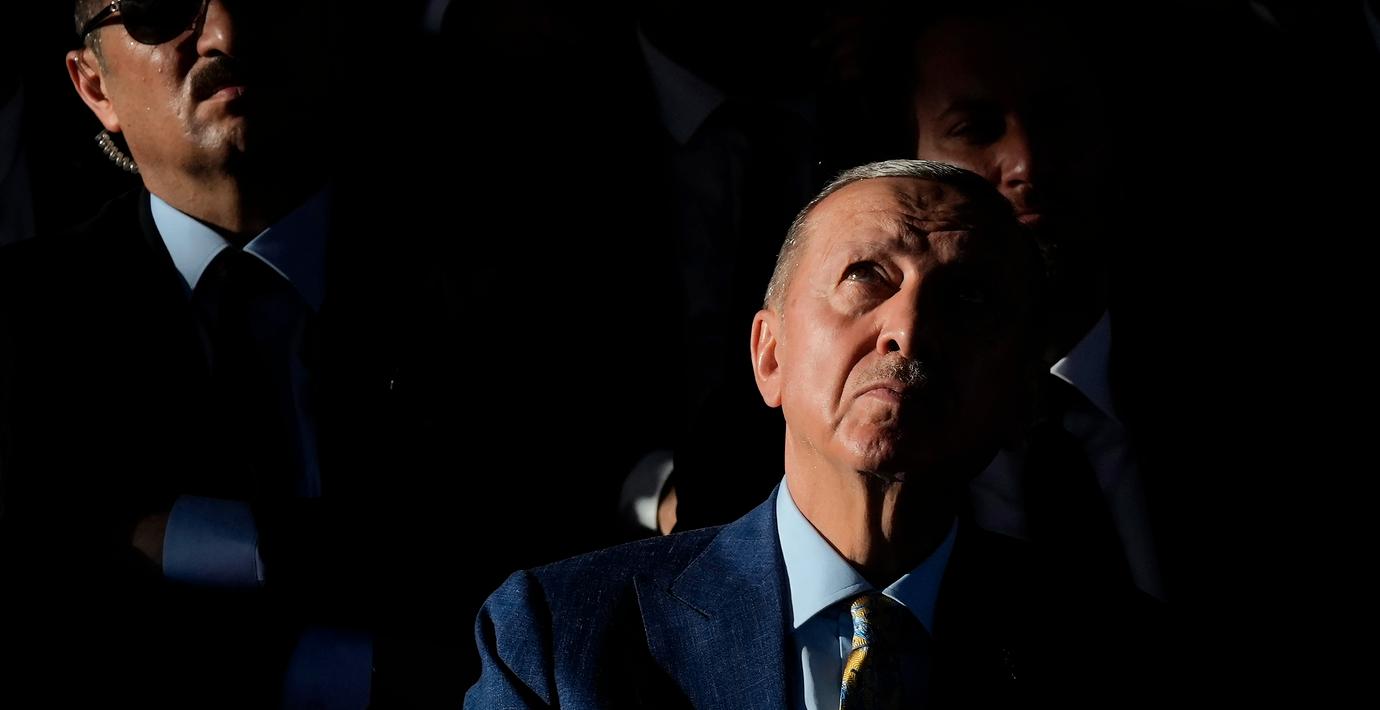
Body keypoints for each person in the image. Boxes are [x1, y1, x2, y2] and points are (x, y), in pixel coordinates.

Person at [466, 160, 1163, 708]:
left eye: (967, 298)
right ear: (769, 356)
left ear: (1023, 396)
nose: (907, 328)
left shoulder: (1120, 656)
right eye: (867, 276)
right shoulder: (563, 640)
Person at [0, 1, 470, 705]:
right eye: (161, 7)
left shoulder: (496, 288)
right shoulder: (19, 329)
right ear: (94, 85)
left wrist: (182, 541)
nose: (227, 33)